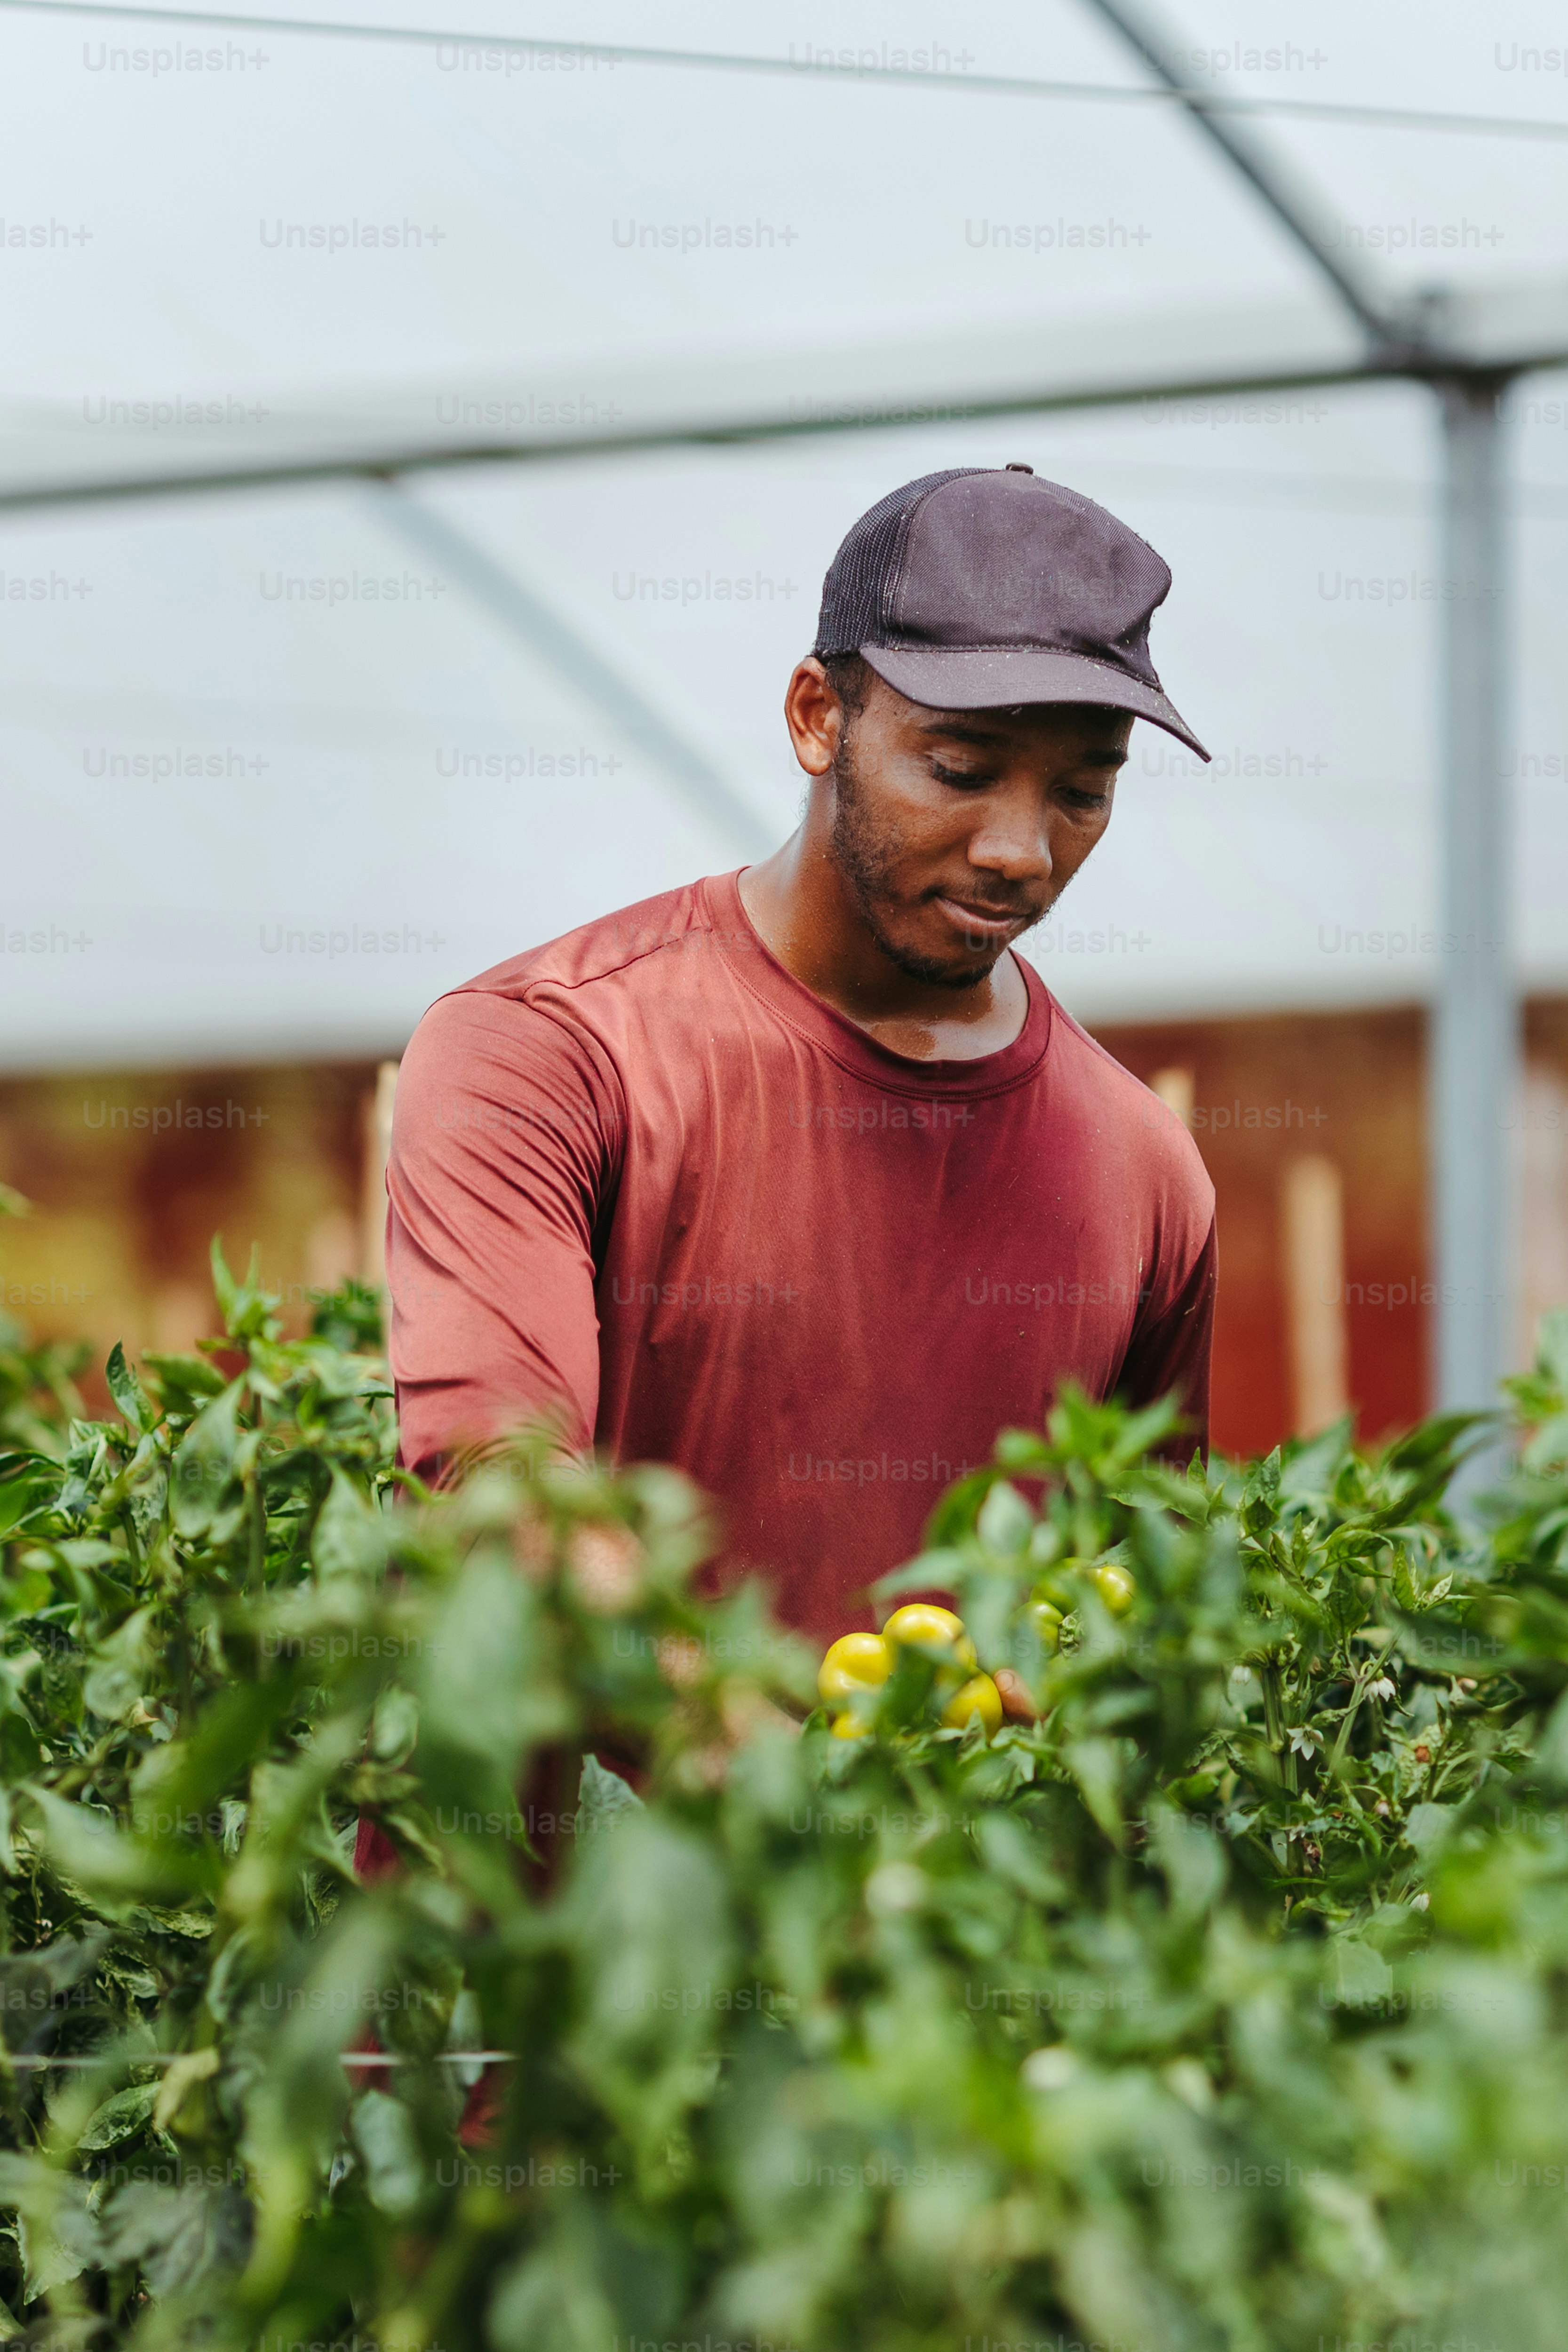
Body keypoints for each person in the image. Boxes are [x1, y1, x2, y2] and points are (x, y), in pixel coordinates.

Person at [385, 463, 1217, 1676]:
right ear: (819, 716)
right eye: (962, 768)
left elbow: (1139, 1588)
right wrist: (762, 1770)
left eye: (1084, 792)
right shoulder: (547, 1052)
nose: (1020, 852)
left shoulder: (1147, 1168)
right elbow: (498, 1490)